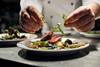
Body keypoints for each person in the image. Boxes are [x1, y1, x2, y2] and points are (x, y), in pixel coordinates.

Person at [19, 0, 100, 33]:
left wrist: (91, 9)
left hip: (78, 36)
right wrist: (29, 9)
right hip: (46, 35)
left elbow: (94, 1)